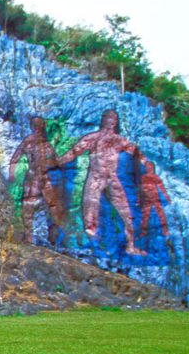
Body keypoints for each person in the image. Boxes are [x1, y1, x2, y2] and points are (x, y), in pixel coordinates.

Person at [56, 109, 146, 256]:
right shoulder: (93, 138)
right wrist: (58, 161)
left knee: (126, 213)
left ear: (116, 122)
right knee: (90, 214)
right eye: (107, 117)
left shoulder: (119, 140)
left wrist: (146, 165)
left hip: (111, 178)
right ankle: (90, 245)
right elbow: (74, 152)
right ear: (102, 120)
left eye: (113, 118)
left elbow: (137, 153)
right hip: (95, 177)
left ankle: (130, 245)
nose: (110, 120)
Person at [8, 116, 65, 243]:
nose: (39, 128)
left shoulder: (46, 144)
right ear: (32, 127)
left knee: (53, 205)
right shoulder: (28, 141)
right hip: (33, 177)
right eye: (37, 125)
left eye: (41, 125)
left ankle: (53, 236)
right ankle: (28, 235)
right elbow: (15, 158)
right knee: (27, 205)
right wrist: (11, 174)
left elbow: (55, 161)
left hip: (45, 177)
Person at [138, 161, 169, 237]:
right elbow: (140, 190)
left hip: (156, 199)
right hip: (147, 200)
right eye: (147, 167)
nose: (149, 168)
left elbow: (162, 188)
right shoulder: (143, 178)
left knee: (161, 215)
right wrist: (138, 200)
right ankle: (143, 231)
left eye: (151, 167)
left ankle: (164, 230)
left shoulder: (155, 177)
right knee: (145, 216)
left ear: (153, 168)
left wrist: (166, 198)